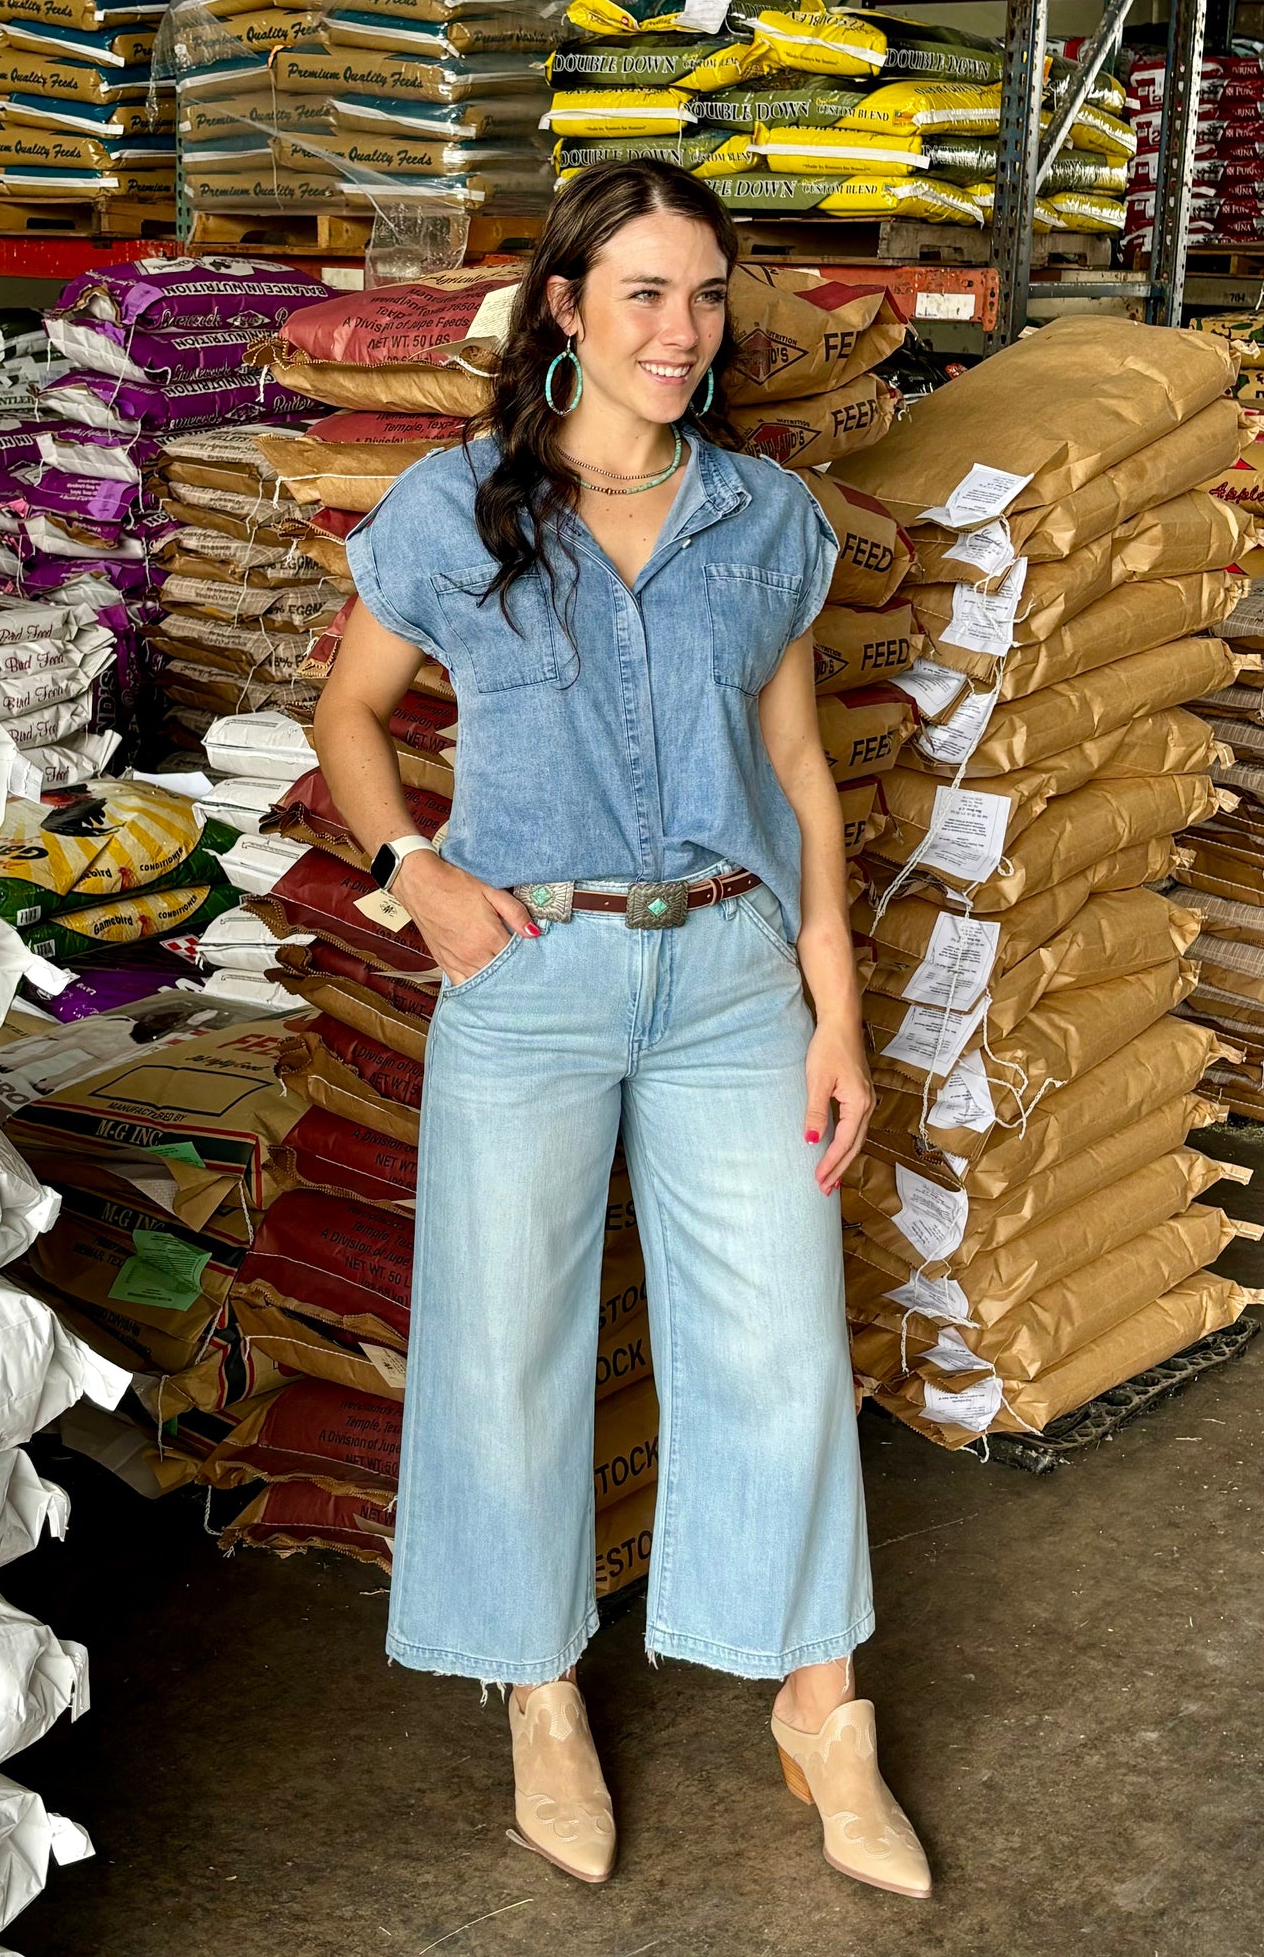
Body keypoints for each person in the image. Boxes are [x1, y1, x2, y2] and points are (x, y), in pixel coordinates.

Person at [316, 159, 930, 1901]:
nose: (682, 330)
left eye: (707, 294)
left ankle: (824, 1713)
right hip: (530, 979)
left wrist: (838, 1014)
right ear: (564, 310)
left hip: (732, 974)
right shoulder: (455, 507)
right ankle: (539, 1694)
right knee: (506, 1349)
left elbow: (801, 772)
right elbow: (351, 710)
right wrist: (412, 865)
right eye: (645, 293)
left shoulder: (767, 518)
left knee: (782, 1343)